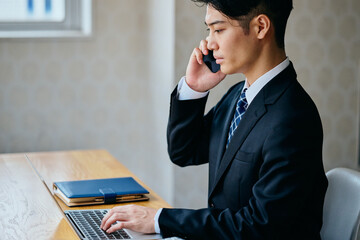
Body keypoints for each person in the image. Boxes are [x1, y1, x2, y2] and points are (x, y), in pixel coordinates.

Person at [101, 0, 328, 239]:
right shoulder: (238, 96)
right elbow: (184, 152)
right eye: (208, 30)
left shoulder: (293, 117)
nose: (208, 43)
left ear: (261, 27)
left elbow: (260, 226)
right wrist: (193, 89)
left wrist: (159, 219)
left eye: (218, 29)